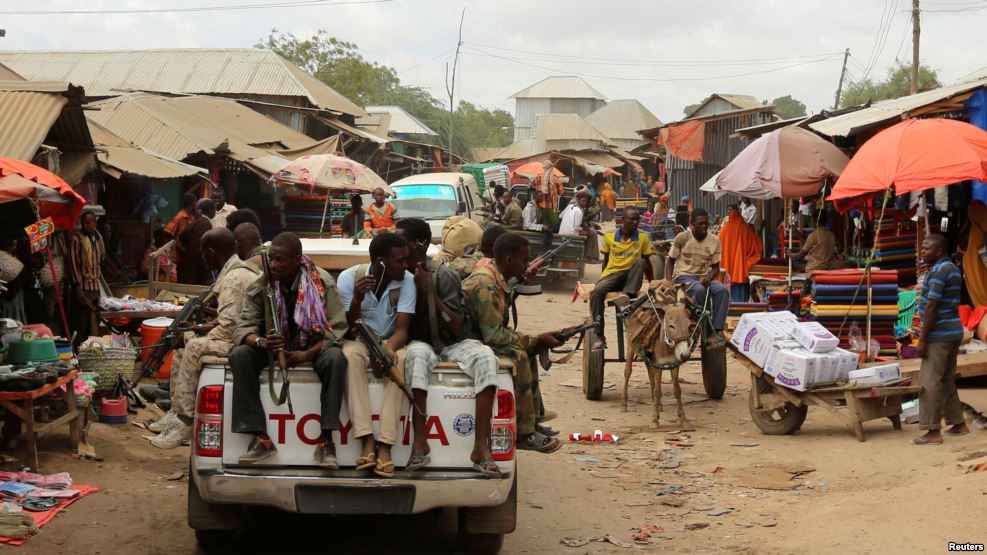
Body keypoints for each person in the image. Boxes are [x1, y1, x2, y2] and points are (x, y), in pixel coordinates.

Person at [229, 232, 348, 466]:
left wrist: (305, 354)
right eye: (271, 258)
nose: (273, 264)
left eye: (280, 260)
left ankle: (326, 441)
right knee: (240, 354)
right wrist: (260, 342)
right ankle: (259, 437)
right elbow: (242, 327)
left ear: (297, 260)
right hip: (274, 349)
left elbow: (338, 330)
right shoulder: (263, 284)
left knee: (336, 358)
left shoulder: (321, 283)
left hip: (311, 348)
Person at [397, 219, 503, 476]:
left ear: (415, 245)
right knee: (417, 357)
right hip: (419, 343)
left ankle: (481, 447)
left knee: (486, 358)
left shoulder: (443, 274)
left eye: (401, 241)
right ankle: (420, 444)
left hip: (451, 343)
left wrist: (429, 293)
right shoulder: (396, 275)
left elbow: (455, 326)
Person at [151, 227, 262, 449]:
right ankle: (176, 411)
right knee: (187, 341)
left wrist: (197, 334)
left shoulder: (233, 278)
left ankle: (185, 420)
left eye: (204, 253)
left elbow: (229, 327)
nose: (202, 258)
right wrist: (197, 327)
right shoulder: (234, 272)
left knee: (192, 346)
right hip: (241, 335)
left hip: (245, 342)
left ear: (211, 252)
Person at [463, 233, 562, 453]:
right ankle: (524, 434)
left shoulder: (495, 276)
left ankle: (532, 421)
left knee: (529, 349)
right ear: (508, 260)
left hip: (481, 335)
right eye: (524, 260)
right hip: (470, 342)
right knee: (519, 353)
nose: (527, 264)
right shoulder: (485, 283)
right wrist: (536, 338)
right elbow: (494, 335)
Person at [337, 233, 416, 478]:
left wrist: (388, 349)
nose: (406, 265)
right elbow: (348, 326)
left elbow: (402, 329)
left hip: (390, 341)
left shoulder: (407, 280)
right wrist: (358, 298)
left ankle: (385, 444)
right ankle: (366, 439)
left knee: (400, 360)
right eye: (400, 260)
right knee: (348, 356)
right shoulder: (349, 278)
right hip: (360, 339)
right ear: (381, 262)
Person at [913, 235, 969, 445]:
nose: (923, 251)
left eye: (927, 248)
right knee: (945, 380)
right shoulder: (952, 268)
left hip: (939, 335)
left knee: (928, 382)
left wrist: (923, 340)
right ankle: (958, 424)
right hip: (953, 331)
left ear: (939, 251)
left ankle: (932, 431)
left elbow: (932, 306)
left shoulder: (939, 271)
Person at [589, 206, 654, 351]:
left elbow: (647, 264)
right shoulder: (609, 236)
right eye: (632, 219)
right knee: (597, 291)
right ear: (623, 220)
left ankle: (627, 295)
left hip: (632, 277)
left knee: (640, 261)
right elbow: (606, 260)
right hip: (613, 275)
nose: (636, 222)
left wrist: (653, 284)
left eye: (638, 219)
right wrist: (602, 279)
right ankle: (599, 335)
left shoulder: (643, 238)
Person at [665, 208, 728, 348]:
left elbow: (716, 267)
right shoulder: (682, 237)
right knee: (699, 290)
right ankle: (701, 329)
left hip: (704, 277)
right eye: (700, 223)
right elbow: (670, 261)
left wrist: (709, 276)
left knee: (722, 291)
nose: (704, 226)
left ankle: (716, 331)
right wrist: (668, 282)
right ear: (691, 223)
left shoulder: (714, 240)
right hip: (683, 276)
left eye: (706, 223)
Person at [68, 211, 105, 347]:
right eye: (85, 223)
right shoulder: (76, 239)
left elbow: (99, 262)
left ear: (95, 223)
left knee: (92, 325)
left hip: (94, 287)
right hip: (82, 288)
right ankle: (74, 352)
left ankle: (88, 353)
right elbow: (72, 264)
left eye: (90, 222)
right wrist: (77, 286)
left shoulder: (97, 239)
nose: (87, 225)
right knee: (80, 324)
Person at [719, 204, 763, 302]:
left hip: (727, 265)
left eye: (730, 210)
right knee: (741, 293)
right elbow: (754, 243)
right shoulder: (744, 227)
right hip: (740, 267)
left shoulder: (724, 229)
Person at [181, 199, 215, 285]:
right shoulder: (204, 224)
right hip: (196, 266)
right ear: (211, 211)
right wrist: (205, 264)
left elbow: (183, 235)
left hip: (190, 262)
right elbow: (199, 246)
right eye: (215, 210)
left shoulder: (198, 221)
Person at [164, 193, 197, 272]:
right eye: (195, 202)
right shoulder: (180, 217)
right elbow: (167, 232)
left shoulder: (192, 217)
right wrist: (178, 245)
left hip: (188, 253)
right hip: (179, 255)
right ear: (192, 204)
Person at [531, 161, 563, 231]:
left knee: (541, 223)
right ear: (551, 168)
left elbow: (532, 186)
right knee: (552, 226)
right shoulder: (557, 179)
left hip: (540, 206)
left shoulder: (538, 177)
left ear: (544, 168)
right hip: (552, 207)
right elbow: (561, 192)